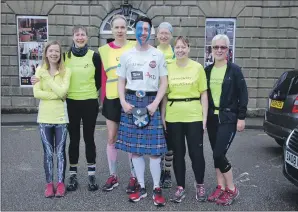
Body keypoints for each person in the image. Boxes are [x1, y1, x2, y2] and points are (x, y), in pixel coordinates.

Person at [31, 25, 102, 192]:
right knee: (74, 139)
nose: (80, 37)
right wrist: (37, 78)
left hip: (90, 101)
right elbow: (53, 71)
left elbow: (99, 80)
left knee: (89, 138)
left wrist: (89, 93)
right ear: (73, 37)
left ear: (87, 37)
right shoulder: (65, 57)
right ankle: (73, 175)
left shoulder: (95, 56)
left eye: (82, 35)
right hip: (70, 102)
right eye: (77, 35)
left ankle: (91, 174)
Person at [115, 16, 168, 206]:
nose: (142, 32)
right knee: (136, 151)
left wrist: (155, 103)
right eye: (139, 28)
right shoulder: (126, 55)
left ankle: (156, 188)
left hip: (151, 101)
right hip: (131, 100)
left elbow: (164, 82)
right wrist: (122, 101)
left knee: (154, 152)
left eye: (146, 29)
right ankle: (141, 187)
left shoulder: (158, 55)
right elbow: (121, 81)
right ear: (134, 31)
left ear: (150, 32)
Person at [161, 36, 208, 203]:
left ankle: (200, 184)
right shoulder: (168, 67)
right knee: (178, 153)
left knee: (196, 153)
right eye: (177, 47)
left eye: (183, 47)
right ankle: (180, 186)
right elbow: (165, 95)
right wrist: (163, 116)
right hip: (174, 117)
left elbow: (203, 94)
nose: (180, 50)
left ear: (189, 49)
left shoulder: (197, 68)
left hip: (194, 116)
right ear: (174, 49)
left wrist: (204, 119)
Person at [205, 34, 248, 206]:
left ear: (228, 50)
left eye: (223, 47)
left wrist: (241, 117)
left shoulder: (234, 70)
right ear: (212, 49)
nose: (219, 50)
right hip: (211, 118)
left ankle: (231, 189)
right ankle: (220, 186)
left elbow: (243, 94)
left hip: (229, 117)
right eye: (216, 47)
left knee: (218, 153)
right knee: (216, 156)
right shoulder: (207, 70)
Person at [98, 14, 139, 193]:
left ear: (127, 30)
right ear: (112, 30)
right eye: (117, 27)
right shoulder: (104, 50)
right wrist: (103, 100)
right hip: (112, 99)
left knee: (130, 139)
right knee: (111, 138)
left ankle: (134, 176)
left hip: (131, 98)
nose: (120, 30)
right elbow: (103, 76)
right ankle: (113, 175)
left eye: (123, 27)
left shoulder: (134, 47)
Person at [33, 40, 71, 198]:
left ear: (60, 54)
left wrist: (47, 80)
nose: (54, 54)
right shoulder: (39, 69)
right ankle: (49, 184)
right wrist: (57, 95)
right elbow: (37, 93)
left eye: (56, 51)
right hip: (44, 118)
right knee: (48, 152)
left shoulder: (66, 71)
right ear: (46, 53)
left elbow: (64, 92)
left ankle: (61, 183)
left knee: (60, 152)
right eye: (51, 51)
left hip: (61, 118)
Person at [156, 22, 175, 189]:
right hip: (154, 99)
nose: (163, 36)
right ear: (157, 35)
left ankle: (167, 172)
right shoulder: (152, 52)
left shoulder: (176, 53)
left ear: (171, 35)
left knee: (169, 139)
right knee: (157, 139)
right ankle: (157, 172)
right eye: (161, 33)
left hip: (170, 99)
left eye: (166, 33)